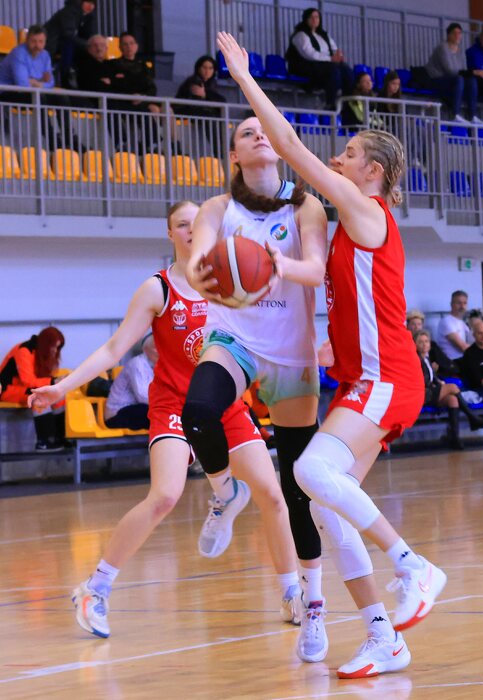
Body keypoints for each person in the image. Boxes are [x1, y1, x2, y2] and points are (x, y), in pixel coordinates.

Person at [215, 32, 447, 678]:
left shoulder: (364, 208)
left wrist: (244, 79)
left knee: (311, 472)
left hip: (387, 376)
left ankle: (413, 565)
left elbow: (289, 147)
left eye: (346, 154)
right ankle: (383, 636)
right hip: (363, 376)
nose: (334, 160)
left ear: (372, 172)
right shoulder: (350, 228)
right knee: (324, 502)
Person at [29, 201, 300, 638]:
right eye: (181, 224)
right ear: (170, 233)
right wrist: (63, 387)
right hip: (173, 404)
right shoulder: (158, 289)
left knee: (272, 493)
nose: (191, 229)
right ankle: (95, 588)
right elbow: (114, 349)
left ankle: (291, 593)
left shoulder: (233, 282)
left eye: (198, 222)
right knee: (165, 496)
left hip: (224, 403)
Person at [183, 115, 332, 663]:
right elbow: (197, 262)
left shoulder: (306, 207)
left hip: (291, 352)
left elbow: (316, 271)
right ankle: (225, 492)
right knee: (198, 410)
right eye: (246, 133)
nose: (259, 135)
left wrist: (274, 265)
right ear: (235, 156)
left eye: (264, 129)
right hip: (236, 337)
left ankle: (313, 606)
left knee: (296, 487)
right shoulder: (218, 209)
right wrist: (203, 273)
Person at [0, 25, 75, 151]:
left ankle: (69, 138)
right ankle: (53, 141)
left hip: (31, 92)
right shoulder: (18, 53)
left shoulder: (45, 55)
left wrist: (37, 83)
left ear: (45, 42)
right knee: (40, 98)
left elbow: (50, 82)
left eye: (41, 42)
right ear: (26, 40)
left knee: (62, 98)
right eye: (33, 41)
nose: (37, 45)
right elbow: (22, 84)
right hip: (7, 92)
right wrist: (39, 82)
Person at [415, 329, 483, 449]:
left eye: (426, 341)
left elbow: (432, 377)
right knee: (453, 387)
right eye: (421, 342)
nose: (424, 344)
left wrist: (438, 382)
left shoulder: (427, 358)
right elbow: (421, 381)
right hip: (422, 394)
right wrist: (438, 386)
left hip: (430, 392)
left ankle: (454, 438)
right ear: (415, 344)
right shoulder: (415, 359)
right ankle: (472, 417)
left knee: (452, 400)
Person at [0, 327, 67, 452]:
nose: (55, 350)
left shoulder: (41, 354)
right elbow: (29, 381)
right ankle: (44, 442)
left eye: (58, 347)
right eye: (53, 346)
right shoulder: (24, 351)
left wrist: (55, 383)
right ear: (46, 344)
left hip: (22, 389)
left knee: (59, 396)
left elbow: (37, 381)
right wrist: (53, 381)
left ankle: (61, 437)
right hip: (6, 390)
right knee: (39, 396)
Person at [285, 7, 353, 110]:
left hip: (323, 66)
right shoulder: (300, 35)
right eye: (311, 17)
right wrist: (331, 59)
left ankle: (347, 103)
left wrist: (338, 55)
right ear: (306, 19)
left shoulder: (324, 35)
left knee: (346, 70)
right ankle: (330, 103)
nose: (314, 20)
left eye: (316, 17)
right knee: (333, 71)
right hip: (305, 67)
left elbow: (334, 49)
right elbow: (309, 54)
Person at [108, 32, 162, 152]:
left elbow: (152, 88)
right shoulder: (113, 64)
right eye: (125, 44)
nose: (129, 47)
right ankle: (128, 144)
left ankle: (153, 145)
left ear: (136, 46)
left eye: (131, 43)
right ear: (120, 47)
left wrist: (143, 97)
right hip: (122, 102)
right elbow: (114, 85)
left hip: (141, 101)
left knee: (150, 112)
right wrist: (131, 94)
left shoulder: (144, 66)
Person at [425, 22, 481, 124]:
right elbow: (450, 70)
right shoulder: (442, 47)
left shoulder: (461, 50)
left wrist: (469, 73)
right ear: (449, 35)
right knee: (459, 79)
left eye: (459, 33)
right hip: (436, 79)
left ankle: (472, 115)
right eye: (454, 33)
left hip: (452, 79)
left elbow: (464, 69)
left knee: (471, 81)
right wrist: (472, 72)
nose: (457, 35)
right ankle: (455, 114)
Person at [104, 333, 157, 430]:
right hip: (116, 414)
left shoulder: (156, 366)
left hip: (134, 408)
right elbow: (143, 396)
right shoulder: (138, 364)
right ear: (147, 349)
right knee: (157, 413)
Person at [44, 0, 98, 87]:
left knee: (92, 48)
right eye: (88, 2)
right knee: (70, 45)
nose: (91, 6)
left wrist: (89, 20)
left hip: (61, 45)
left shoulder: (86, 16)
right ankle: (66, 78)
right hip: (50, 44)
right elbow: (68, 35)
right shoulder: (69, 12)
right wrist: (87, 44)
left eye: (93, 4)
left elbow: (89, 36)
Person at [406, 309, 457, 377]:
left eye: (419, 324)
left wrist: (439, 367)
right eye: (413, 324)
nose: (416, 327)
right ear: (407, 326)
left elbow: (445, 363)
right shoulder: (406, 344)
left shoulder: (432, 345)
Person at [436, 290, 473, 362]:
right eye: (459, 303)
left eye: (465, 303)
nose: (462, 306)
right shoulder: (446, 321)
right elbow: (463, 347)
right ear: (451, 304)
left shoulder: (463, 322)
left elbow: (473, 340)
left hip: (463, 360)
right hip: (452, 362)